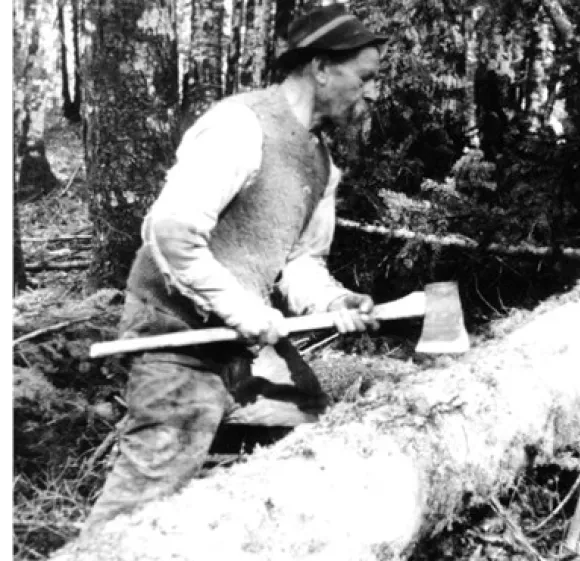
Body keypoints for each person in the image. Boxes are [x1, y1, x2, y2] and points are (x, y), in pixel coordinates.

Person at [83, 4, 387, 531]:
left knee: (271, 477)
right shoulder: (240, 126)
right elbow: (170, 232)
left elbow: (301, 262)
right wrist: (241, 308)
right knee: (140, 504)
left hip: (234, 351)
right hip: (172, 339)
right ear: (320, 67)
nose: (373, 92)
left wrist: (334, 302)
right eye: (365, 77)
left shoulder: (321, 165)